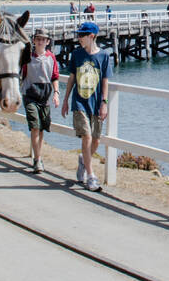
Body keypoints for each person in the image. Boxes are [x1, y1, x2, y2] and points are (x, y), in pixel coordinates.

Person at [60, 21, 110, 192]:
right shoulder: (76, 54)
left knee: (96, 139)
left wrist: (104, 103)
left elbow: (105, 81)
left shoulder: (104, 56)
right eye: (78, 35)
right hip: (79, 102)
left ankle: (83, 160)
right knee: (87, 137)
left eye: (82, 35)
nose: (78, 38)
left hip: (96, 103)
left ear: (91, 36)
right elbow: (71, 79)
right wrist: (65, 100)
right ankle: (91, 176)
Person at [20, 28, 60, 173]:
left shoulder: (51, 57)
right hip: (30, 94)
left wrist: (56, 93)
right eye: (38, 39)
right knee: (35, 126)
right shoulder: (27, 57)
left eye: (43, 39)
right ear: (34, 41)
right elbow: (21, 74)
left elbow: (55, 76)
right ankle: (37, 160)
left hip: (45, 95)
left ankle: (38, 156)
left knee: (42, 128)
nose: (40, 41)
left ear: (47, 42)